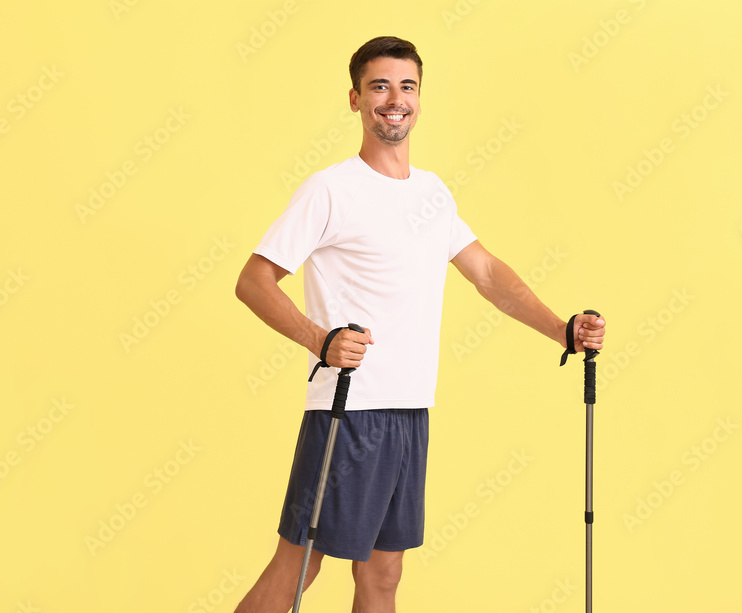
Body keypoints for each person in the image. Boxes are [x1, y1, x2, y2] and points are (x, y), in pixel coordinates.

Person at [234, 36, 606, 613]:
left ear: (419, 98)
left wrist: (562, 329)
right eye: (379, 86)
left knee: (383, 579)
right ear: (355, 99)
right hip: (348, 412)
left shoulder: (433, 193)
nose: (394, 99)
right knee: (299, 569)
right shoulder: (331, 189)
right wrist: (321, 341)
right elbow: (253, 282)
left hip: (410, 411)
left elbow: (486, 273)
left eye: (406, 86)